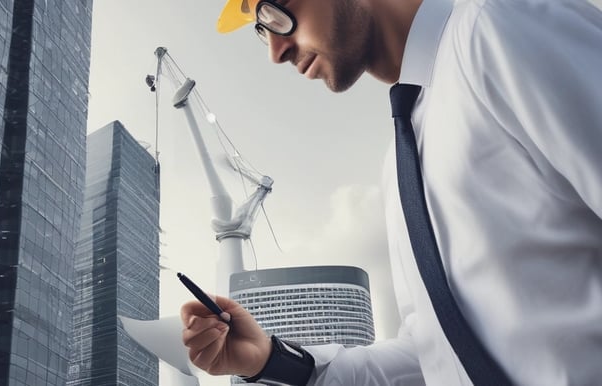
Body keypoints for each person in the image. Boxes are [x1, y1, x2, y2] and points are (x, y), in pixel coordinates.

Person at [180, 0, 602, 384]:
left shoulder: (496, 28)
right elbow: (432, 354)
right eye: (260, 29)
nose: (276, 50)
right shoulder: (398, 164)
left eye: (275, 11)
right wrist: (271, 360)